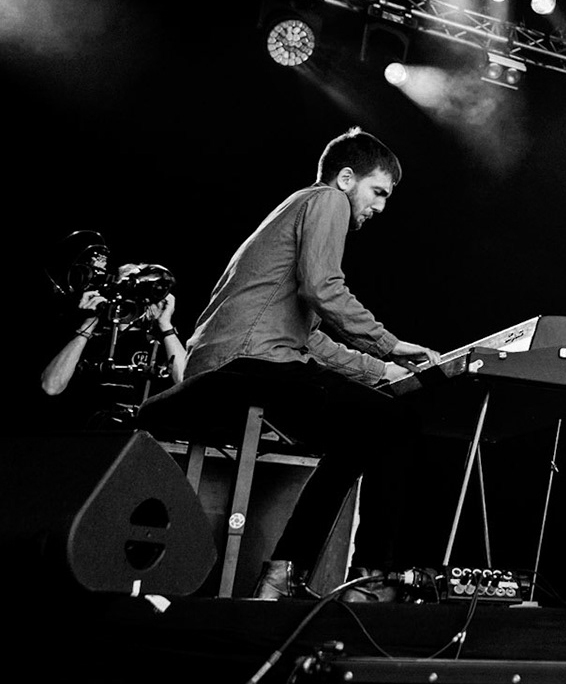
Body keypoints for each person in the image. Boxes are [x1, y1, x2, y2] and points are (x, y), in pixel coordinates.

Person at [137, 128, 438, 598]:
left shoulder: (290, 211)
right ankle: (372, 579)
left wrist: (382, 372)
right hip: (246, 367)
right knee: (398, 423)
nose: (380, 208)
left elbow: (309, 340)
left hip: (228, 364)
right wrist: (390, 345)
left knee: (361, 437)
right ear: (345, 178)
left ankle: (283, 574)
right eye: (378, 192)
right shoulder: (327, 202)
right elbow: (323, 288)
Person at [40, 250, 189, 423]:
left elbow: (186, 384)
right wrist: (88, 323)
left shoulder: (159, 340)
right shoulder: (89, 334)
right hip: (86, 436)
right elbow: (51, 386)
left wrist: (165, 325)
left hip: (137, 440)